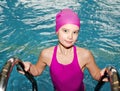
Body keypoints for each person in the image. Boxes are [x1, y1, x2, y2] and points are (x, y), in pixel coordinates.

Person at [19, 8, 107, 91]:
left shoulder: (85, 55)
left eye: (75, 32)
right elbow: (37, 71)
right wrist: (29, 67)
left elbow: (96, 75)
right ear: (57, 31)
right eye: (65, 31)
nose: (70, 37)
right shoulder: (47, 54)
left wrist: (105, 74)